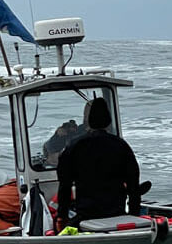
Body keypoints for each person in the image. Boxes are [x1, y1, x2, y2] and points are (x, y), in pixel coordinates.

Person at [55, 97, 141, 230]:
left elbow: (64, 185)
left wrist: (61, 216)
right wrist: (134, 215)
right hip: (117, 214)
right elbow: (133, 184)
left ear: (89, 120)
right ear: (108, 121)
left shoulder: (75, 147)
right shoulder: (121, 145)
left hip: (86, 216)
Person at [43, 100, 92, 165]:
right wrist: (57, 135)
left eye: (86, 114)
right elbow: (48, 147)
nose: (85, 116)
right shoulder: (81, 128)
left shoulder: (91, 136)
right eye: (85, 114)